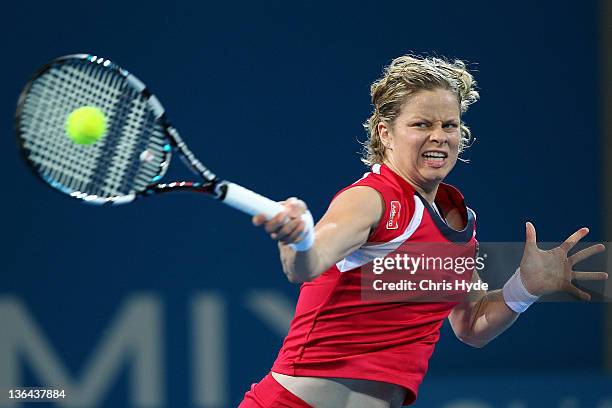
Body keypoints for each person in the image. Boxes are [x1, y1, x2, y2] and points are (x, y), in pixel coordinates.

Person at [238, 54, 608, 408]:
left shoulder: (459, 223)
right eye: (422, 124)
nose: (439, 136)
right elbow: (306, 265)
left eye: (449, 125)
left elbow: (472, 324)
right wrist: (296, 238)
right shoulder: (372, 199)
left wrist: (526, 288)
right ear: (385, 133)